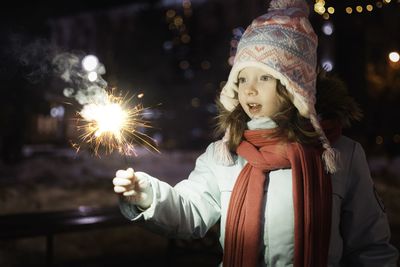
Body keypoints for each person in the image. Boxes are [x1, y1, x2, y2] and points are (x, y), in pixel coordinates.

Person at [112, 0, 399, 266]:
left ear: (294, 86)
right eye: (242, 77)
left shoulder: (339, 156)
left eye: (264, 77)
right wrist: (147, 194)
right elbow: (190, 212)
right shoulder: (224, 154)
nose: (249, 88)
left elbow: (370, 244)